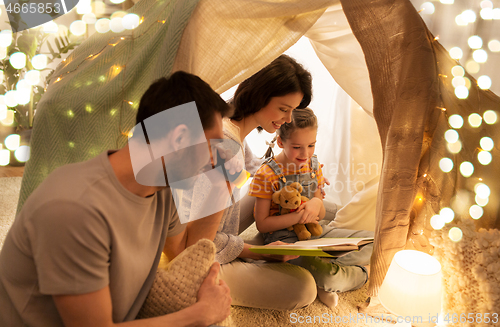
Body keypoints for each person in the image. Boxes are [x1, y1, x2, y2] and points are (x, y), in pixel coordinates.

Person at [0, 71, 232, 326]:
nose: (213, 160)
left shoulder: (161, 191)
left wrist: (217, 197)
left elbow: (186, 258)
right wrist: (201, 314)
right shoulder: (74, 209)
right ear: (178, 138)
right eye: (211, 147)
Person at [181, 54, 329, 310]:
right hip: (193, 257)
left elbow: (262, 172)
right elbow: (198, 241)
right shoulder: (226, 149)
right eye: (284, 109)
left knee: (287, 197)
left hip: (212, 230)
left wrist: (309, 185)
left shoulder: (230, 127)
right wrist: (258, 252)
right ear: (260, 95)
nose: (288, 118)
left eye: (292, 110)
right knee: (304, 288)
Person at [248, 107, 374, 308]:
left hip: (317, 232)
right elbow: (262, 225)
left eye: (311, 145)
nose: (305, 153)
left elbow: (321, 214)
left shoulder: (312, 165)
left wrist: (316, 202)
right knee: (329, 277)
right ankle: (362, 274)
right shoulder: (266, 174)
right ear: (281, 142)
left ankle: (327, 271)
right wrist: (298, 218)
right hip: (286, 242)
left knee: (374, 242)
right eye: (297, 147)